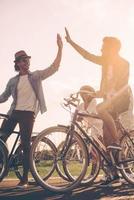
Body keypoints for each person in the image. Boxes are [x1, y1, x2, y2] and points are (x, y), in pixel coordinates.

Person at [65, 28, 133, 185]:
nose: (101, 49)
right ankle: (114, 173)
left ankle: (117, 143)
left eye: (104, 47)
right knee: (105, 137)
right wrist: (71, 42)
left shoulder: (124, 63)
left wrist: (106, 93)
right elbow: (86, 55)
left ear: (112, 48)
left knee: (101, 109)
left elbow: (121, 84)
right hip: (109, 100)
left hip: (121, 99)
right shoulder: (105, 62)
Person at [0, 34, 63, 188]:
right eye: (23, 60)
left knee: (26, 145)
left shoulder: (36, 76)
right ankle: (3, 168)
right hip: (13, 113)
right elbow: (4, 97)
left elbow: (54, 68)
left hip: (28, 115)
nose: (26, 62)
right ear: (18, 64)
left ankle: (25, 179)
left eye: (28, 60)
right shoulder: (13, 81)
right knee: (1, 140)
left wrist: (60, 49)